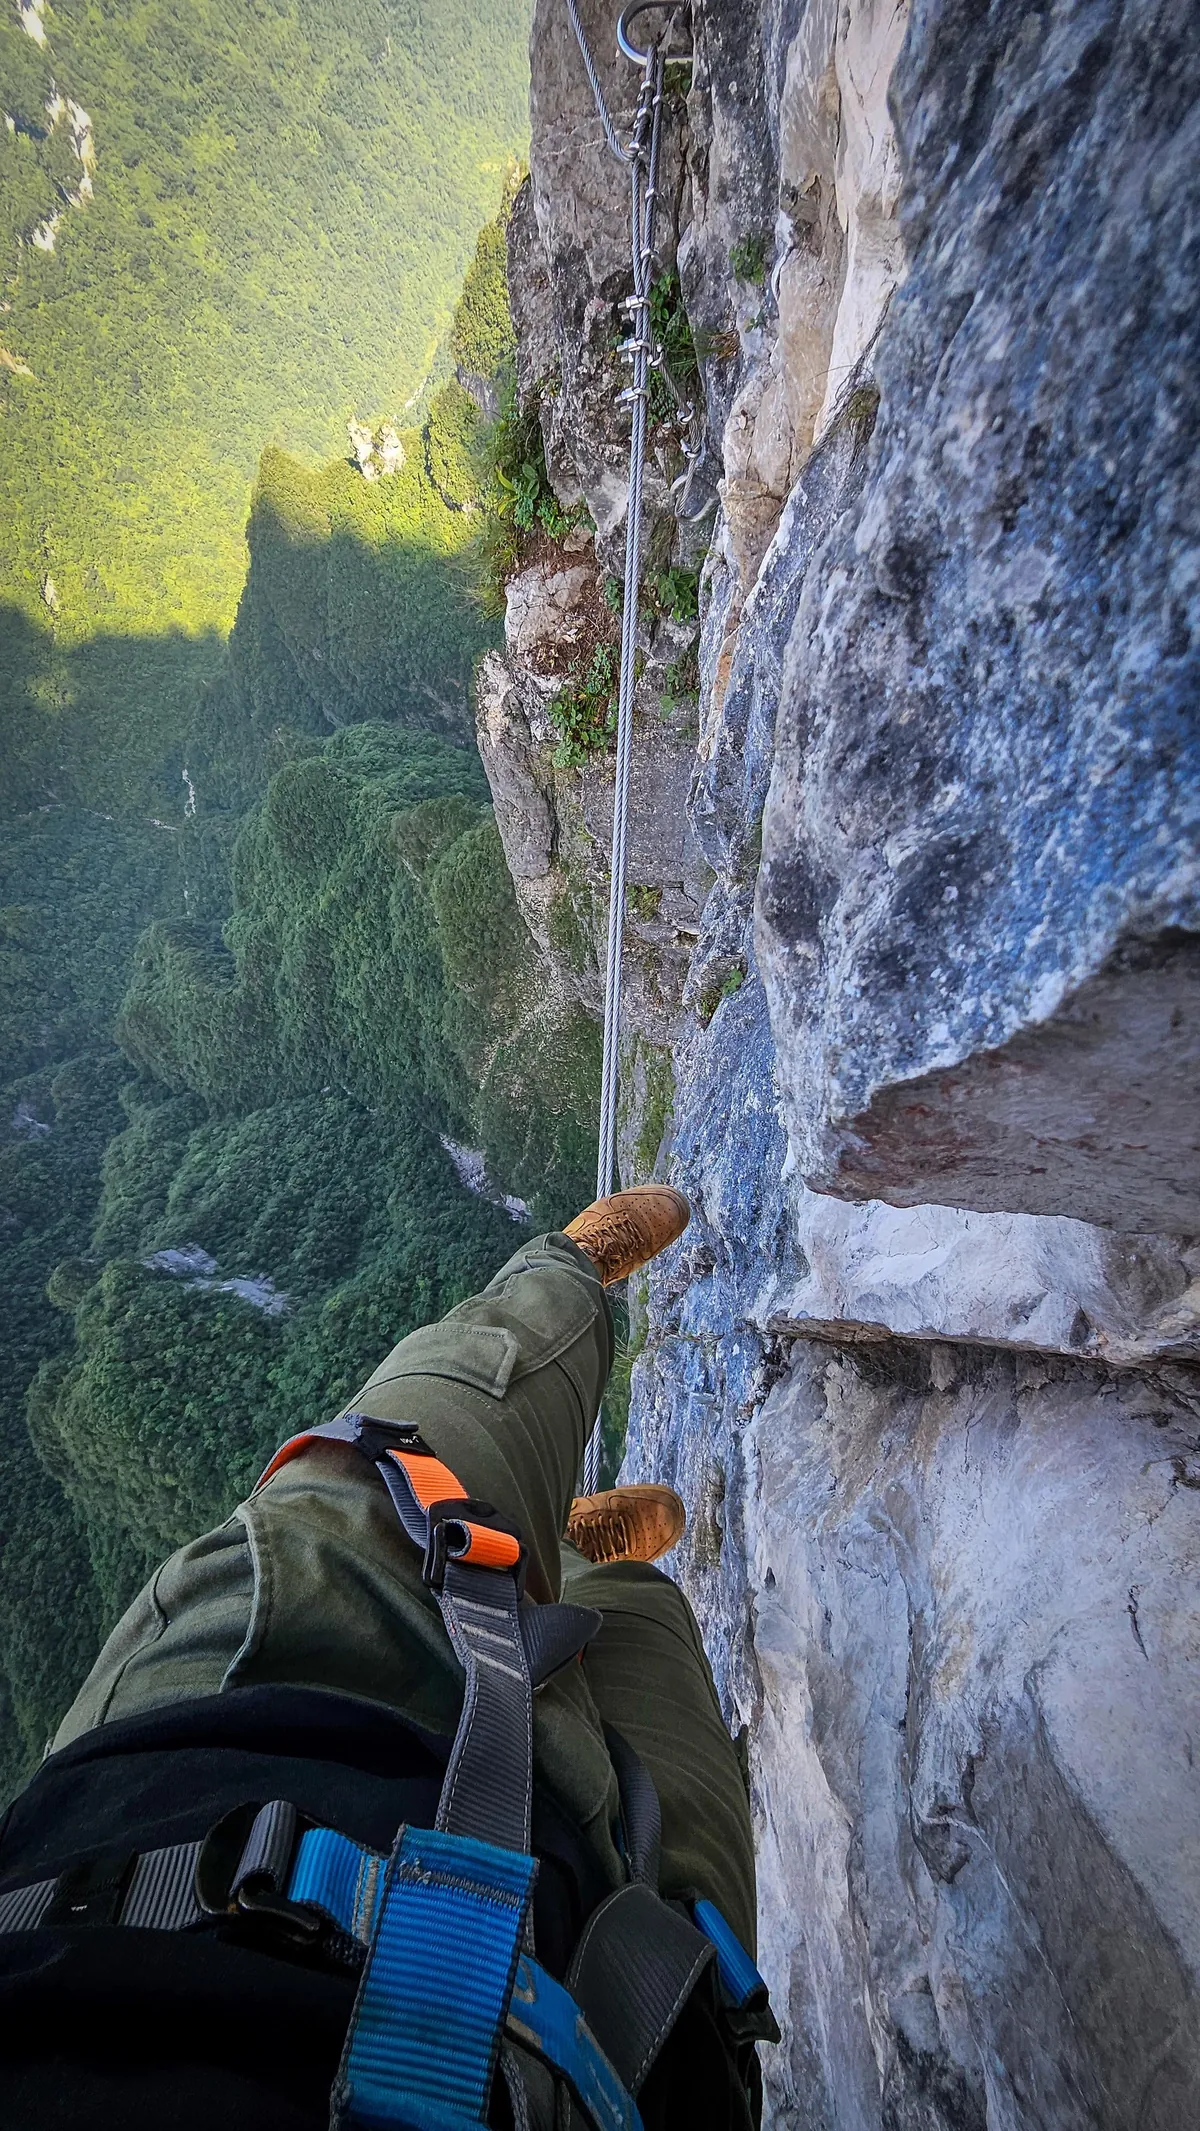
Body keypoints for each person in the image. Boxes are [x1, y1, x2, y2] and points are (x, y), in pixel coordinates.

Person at [0, 1187, 775, 2129]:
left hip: (219, 1721)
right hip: (613, 1992)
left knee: (468, 1392)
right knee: (647, 1624)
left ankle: (573, 1266)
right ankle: (566, 1557)